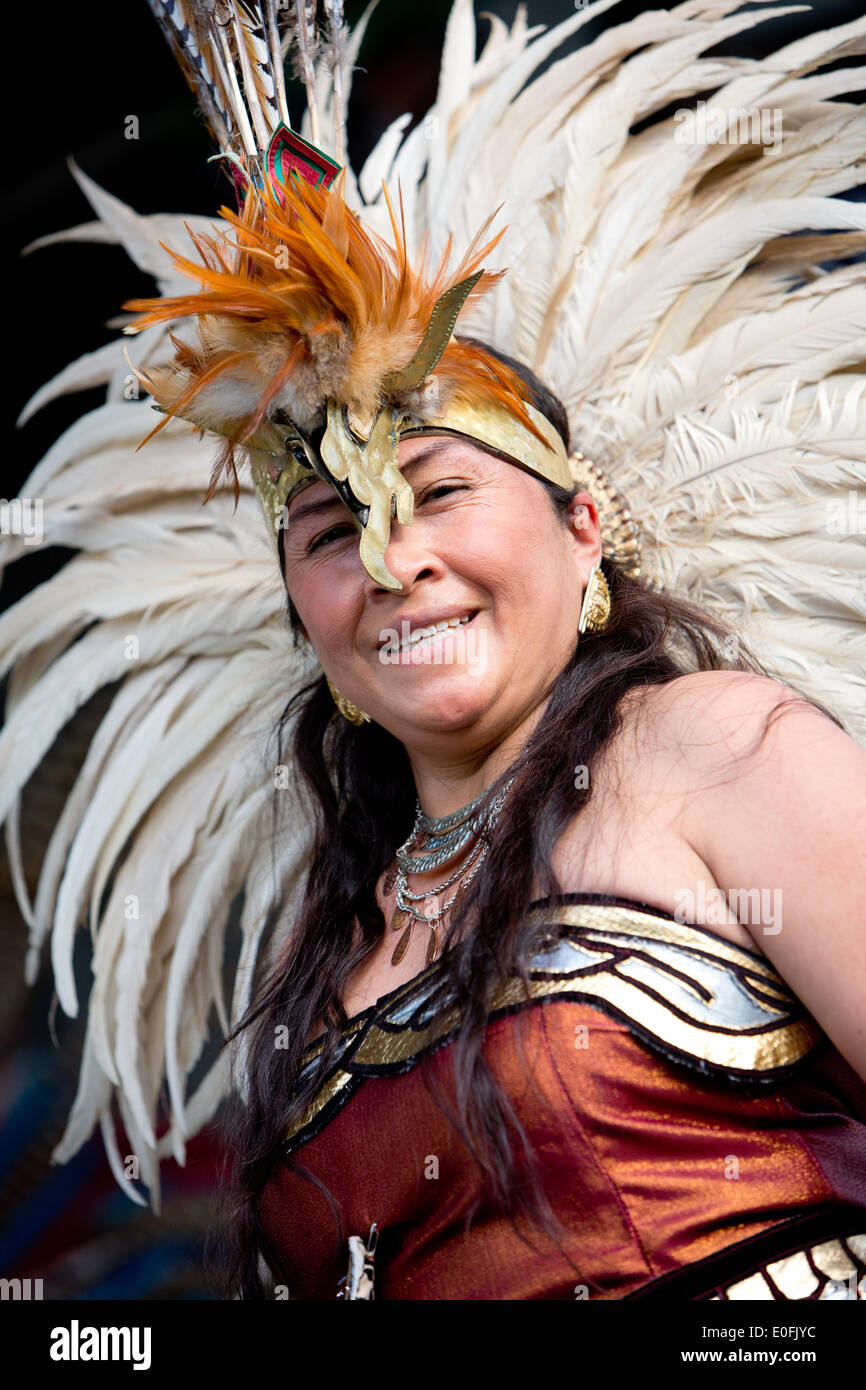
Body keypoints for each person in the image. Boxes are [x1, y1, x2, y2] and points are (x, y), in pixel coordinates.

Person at [4, 0, 866, 1301]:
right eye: (331, 527)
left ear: (586, 527)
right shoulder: (331, 942)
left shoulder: (716, 749)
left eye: (436, 491)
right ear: (301, 609)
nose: (392, 559)